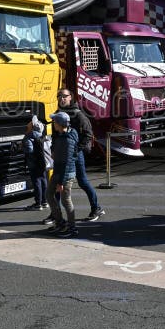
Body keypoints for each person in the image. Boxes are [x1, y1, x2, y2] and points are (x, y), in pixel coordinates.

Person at [54, 88, 105, 221]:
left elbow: (88, 134)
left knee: (82, 182)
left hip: (76, 154)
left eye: (64, 96)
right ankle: (55, 213)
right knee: (57, 182)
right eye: (59, 96)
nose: (61, 98)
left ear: (70, 97)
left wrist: (76, 150)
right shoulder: (57, 113)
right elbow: (55, 135)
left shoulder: (78, 114)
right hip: (61, 155)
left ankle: (96, 208)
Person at [46, 112, 79, 237]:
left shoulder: (68, 140)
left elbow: (66, 162)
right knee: (49, 195)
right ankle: (60, 222)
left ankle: (72, 228)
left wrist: (60, 183)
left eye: (54, 122)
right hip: (58, 171)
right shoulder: (61, 135)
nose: (53, 124)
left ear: (59, 124)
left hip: (66, 174)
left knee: (66, 200)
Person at [22, 116, 50, 210]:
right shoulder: (42, 136)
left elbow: (29, 151)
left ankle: (38, 204)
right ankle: (45, 201)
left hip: (34, 164)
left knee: (36, 182)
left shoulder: (28, 137)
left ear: (32, 126)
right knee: (44, 180)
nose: (28, 123)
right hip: (43, 162)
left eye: (30, 122)